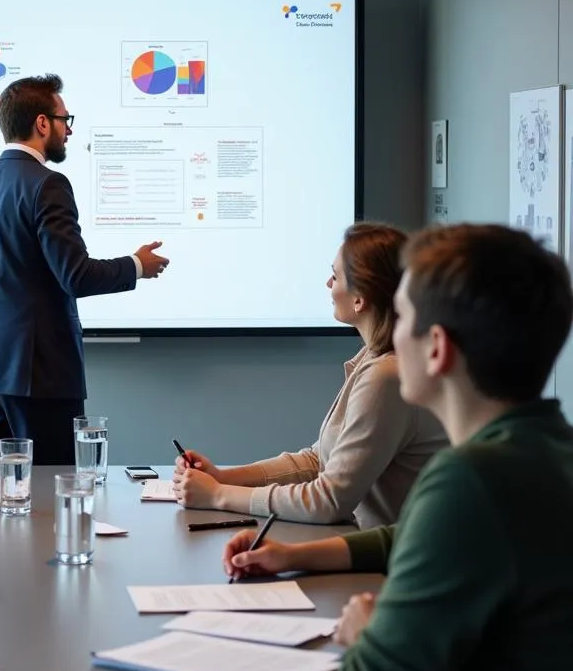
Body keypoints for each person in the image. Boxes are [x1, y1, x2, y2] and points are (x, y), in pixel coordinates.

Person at [200, 223, 573, 671]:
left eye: (401, 318)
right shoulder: (542, 453)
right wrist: (303, 556)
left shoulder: (470, 481)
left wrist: (366, 632)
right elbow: (411, 536)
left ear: (437, 348)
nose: (391, 342)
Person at [0, 73, 170, 465]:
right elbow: (76, 275)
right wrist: (137, 265)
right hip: (38, 371)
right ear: (41, 123)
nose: (69, 130)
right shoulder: (47, 184)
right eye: (65, 119)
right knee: (52, 493)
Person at [174, 222, 446, 527]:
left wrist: (219, 495)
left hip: (384, 565)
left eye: (336, 275)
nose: (329, 284)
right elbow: (319, 461)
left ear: (360, 299)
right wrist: (223, 477)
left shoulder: (386, 376)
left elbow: (328, 501)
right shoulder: (374, 359)